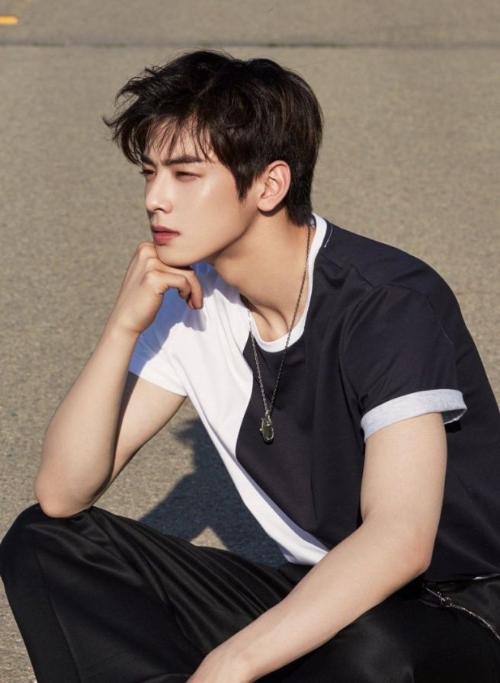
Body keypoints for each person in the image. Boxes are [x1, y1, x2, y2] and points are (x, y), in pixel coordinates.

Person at [1, 49, 500, 683]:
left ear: (269, 185)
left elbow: (401, 539)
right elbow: (63, 491)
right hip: (322, 587)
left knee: (374, 651)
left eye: (185, 174)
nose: (155, 199)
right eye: (149, 173)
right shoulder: (188, 302)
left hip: (457, 604)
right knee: (45, 543)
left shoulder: (387, 303)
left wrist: (231, 663)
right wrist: (121, 329)